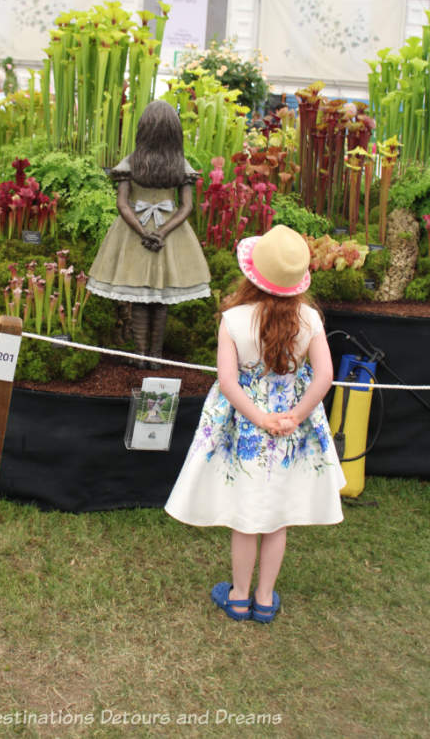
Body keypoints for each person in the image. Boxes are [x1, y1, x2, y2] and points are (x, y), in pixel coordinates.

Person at [165, 224, 346, 623]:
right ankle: (264, 599)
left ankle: (239, 595)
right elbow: (324, 377)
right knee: (276, 518)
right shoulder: (311, 319)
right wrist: (295, 415)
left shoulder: (232, 319)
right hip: (290, 425)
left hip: (244, 424)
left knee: (247, 519)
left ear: (252, 274)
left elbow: (228, 382)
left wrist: (260, 417)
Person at [87, 99, 210, 368]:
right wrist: (163, 232)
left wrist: (144, 232)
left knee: (140, 295)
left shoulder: (132, 162)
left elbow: (122, 204)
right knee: (160, 297)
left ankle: (141, 355)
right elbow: (186, 206)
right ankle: (155, 356)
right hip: (170, 235)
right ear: (174, 132)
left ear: (143, 130)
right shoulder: (180, 164)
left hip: (133, 234)